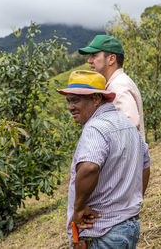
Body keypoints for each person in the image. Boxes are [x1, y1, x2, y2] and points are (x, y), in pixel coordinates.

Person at [57, 70, 151, 249]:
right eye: (69, 101)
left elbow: (90, 167)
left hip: (104, 232)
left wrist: (79, 208)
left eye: (76, 100)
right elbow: (145, 166)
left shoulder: (95, 128)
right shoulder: (126, 125)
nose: (70, 107)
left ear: (96, 98)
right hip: (128, 226)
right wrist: (132, 202)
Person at [78, 35, 145, 139]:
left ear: (111, 59)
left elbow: (131, 123)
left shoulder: (118, 86)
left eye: (94, 56)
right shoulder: (120, 82)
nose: (89, 60)